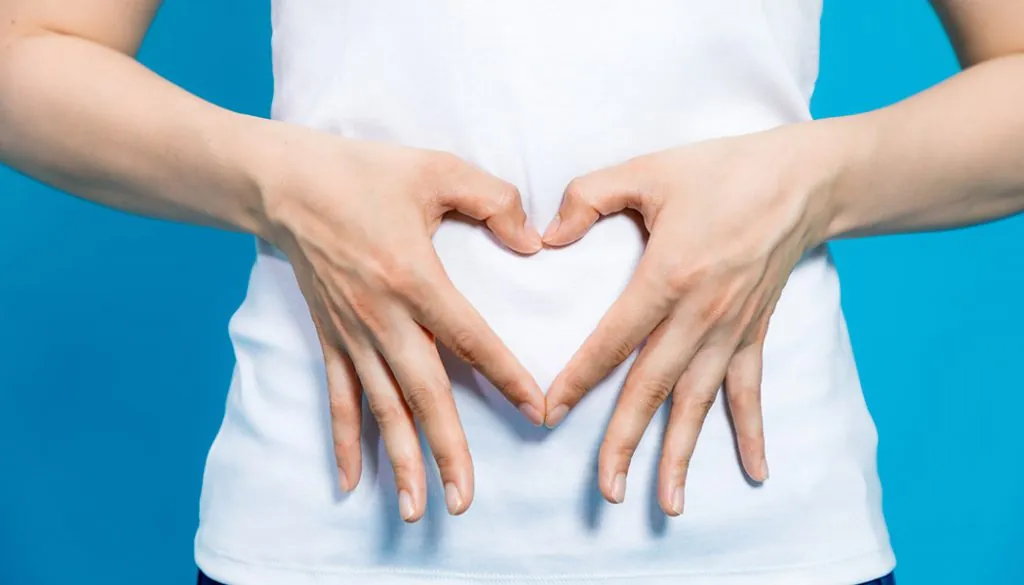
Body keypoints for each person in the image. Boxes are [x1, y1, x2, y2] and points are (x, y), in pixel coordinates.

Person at [2, 1, 1023, 584]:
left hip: (762, 538)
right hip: (330, 535)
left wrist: (818, 181)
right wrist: (279, 185)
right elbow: (24, 48)